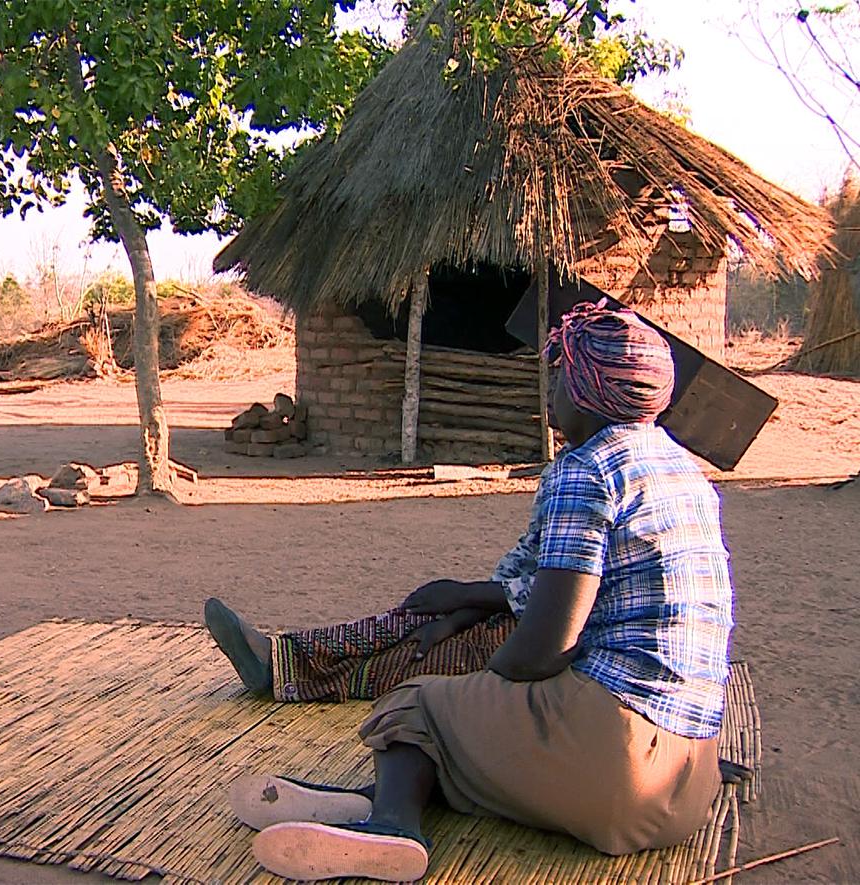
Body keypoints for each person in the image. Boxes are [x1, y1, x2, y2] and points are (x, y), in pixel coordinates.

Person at [214, 303, 735, 882]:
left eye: (559, 373)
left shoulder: (589, 470)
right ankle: (370, 799)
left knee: (418, 701)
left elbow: (543, 647)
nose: (551, 388)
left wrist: (478, 691)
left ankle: (390, 827)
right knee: (453, 662)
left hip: (615, 764)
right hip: (686, 782)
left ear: (586, 389)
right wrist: (473, 611)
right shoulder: (683, 470)